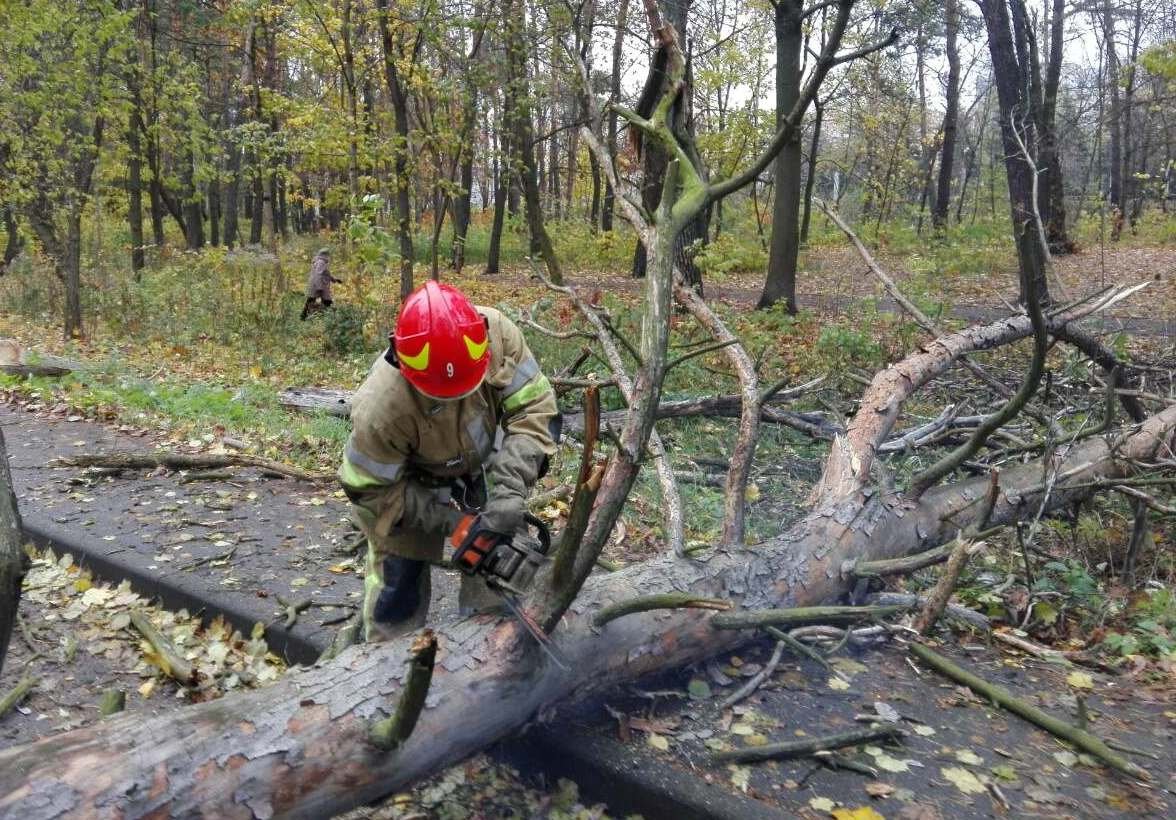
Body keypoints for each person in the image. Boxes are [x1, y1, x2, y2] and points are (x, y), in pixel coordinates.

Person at [339, 281, 560, 642]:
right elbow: (368, 489)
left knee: (496, 573)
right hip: (408, 484)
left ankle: (484, 657)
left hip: (485, 465)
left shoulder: (498, 335)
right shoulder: (380, 408)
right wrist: (452, 523)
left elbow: (537, 410)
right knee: (397, 588)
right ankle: (382, 674)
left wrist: (508, 490)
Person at [300, 247, 342, 320]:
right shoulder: (321, 262)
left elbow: (326, 274)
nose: (329, 257)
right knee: (326, 301)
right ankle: (333, 318)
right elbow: (318, 275)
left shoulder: (319, 261)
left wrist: (334, 279)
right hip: (319, 285)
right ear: (325, 255)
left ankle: (303, 316)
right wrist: (319, 287)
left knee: (311, 300)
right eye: (328, 255)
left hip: (316, 285)